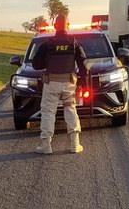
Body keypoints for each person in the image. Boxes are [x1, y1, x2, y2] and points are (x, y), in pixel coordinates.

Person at [31, 14, 87, 154]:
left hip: (51, 83)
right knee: (70, 110)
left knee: (48, 113)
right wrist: (83, 83)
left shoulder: (47, 44)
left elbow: (36, 64)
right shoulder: (74, 43)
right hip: (69, 84)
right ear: (68, 25)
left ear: (55, 26)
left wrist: (48, 62)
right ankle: (75, 144)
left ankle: (46, 145)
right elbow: (83, 65)